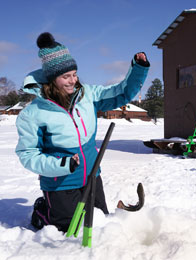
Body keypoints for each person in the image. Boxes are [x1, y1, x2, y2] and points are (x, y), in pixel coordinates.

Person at [15, 32, 150, 232]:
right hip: (59, 181)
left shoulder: (88, 96)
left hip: (91, 174)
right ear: (52, 79)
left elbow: (121, 92)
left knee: (98, 222)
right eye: (66, 76)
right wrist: (62, 164)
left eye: (75, 74)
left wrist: (138, 69)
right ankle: (42, 212)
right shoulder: (33, 113)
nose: (73, 81)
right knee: (70, 229)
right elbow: (28, 154)